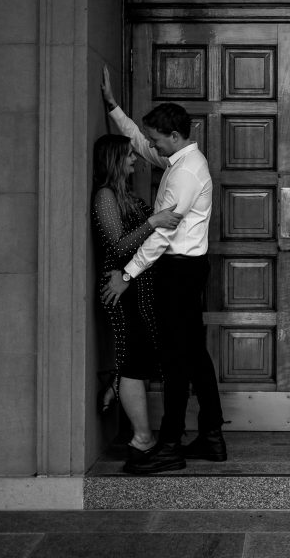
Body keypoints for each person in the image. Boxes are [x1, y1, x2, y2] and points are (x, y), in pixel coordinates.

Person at [100, 65, 227, 471]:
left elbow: (161, 236)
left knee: (176, 360)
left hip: (178, 271)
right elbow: (138, 143)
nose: (151, 145)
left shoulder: (186, 172)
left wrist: (126, 274)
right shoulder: (177, 157)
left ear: (175, 136)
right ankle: (211, 436)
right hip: (184, 270)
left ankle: (170, 445)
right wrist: (114, 108)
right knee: (194, 354)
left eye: (158, 138)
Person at [92, 134, 184, 475]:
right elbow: (116, 248)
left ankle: (115, 384)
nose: (135, 160)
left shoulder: (126, 195)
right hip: (121, 291)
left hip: (140, 289)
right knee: (134, 360)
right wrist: (153, 222)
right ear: (114, 158)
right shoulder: (104, 196)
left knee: (142, 359)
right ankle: (141, 440)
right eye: (129, 155)